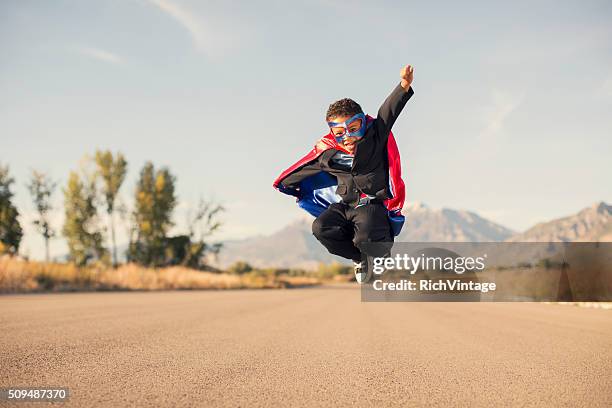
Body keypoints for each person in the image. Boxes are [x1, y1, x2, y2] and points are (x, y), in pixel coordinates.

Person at [273, 65, 414, 283]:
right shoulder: (327, 153)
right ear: (333, 133)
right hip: (346, 205)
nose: (348, 137)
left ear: (363, 124)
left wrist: (404, 86)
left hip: (372, 205)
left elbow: (388, 112)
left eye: (354, 127)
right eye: (340, 133)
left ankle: (379, 254)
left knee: (364, 236)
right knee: (321, 228)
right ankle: (361, 259)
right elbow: (306, 168)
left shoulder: (375, 138)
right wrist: (286, 185)